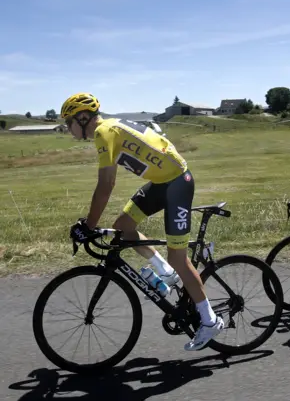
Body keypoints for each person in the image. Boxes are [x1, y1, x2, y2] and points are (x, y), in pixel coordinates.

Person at [61, 92, 224, 351]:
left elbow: (106, 185)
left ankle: (209, 320)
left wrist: (89, 225)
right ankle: (166, 273)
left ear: (82, 118)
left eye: (68, 121)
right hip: (162, 182)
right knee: (123, 226)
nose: (67, 128)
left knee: (178, 258)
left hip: (177, 184)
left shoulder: (104, 133)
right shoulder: (107, 129)